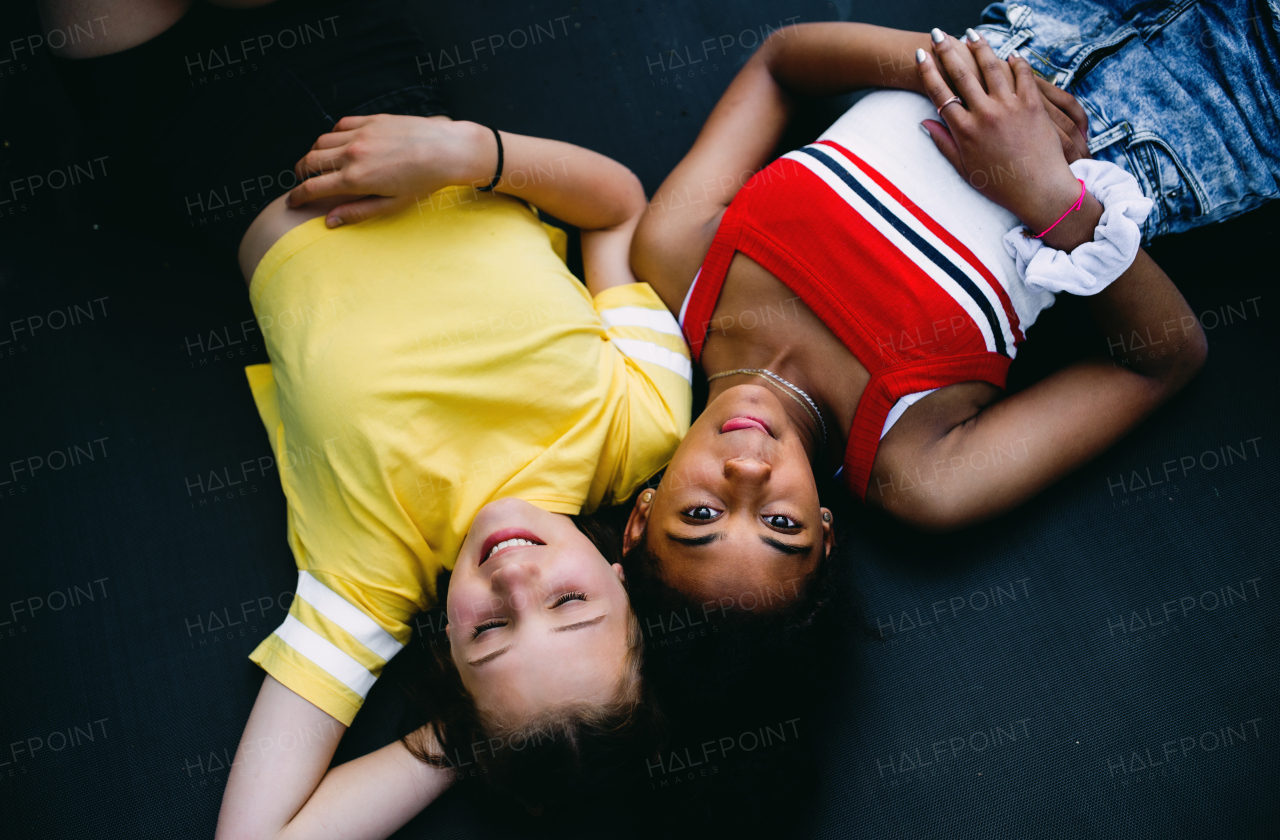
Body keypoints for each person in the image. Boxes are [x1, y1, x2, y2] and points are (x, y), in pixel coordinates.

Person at [41, 0, 692, 834]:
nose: (515, 579)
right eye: (569, 606)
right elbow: (617, 206)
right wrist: (470, 152)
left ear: (452, 665)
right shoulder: (642, 426)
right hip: (373, 77)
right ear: (620, 579)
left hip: (196, 124)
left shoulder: (370, 581)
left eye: (490, 630)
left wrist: (470, 738)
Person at [618, 5, 1280, 612]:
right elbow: (1162, 361)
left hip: (1039, 23)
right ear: (825, 537)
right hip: (1205, 116)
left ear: (641, 515)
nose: (748, 472)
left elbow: (780, 65)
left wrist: (945, 69)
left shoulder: (678, 255)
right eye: (780, 525)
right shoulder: (919, 473)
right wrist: (1052, 200)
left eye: (701, 516)